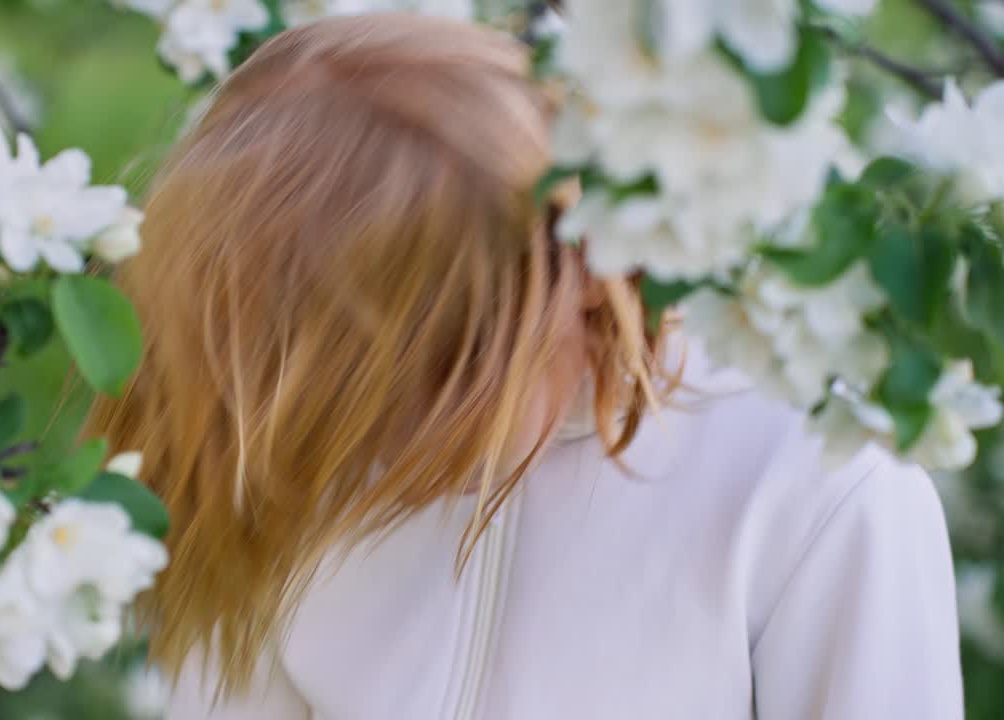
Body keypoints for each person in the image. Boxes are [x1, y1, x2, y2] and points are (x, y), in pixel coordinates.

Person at [85, 13, 963, 719]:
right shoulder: (290, 453)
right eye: (332, 393)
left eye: (423, 374)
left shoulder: (804, 482)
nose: (376, 442)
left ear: (573, 270)